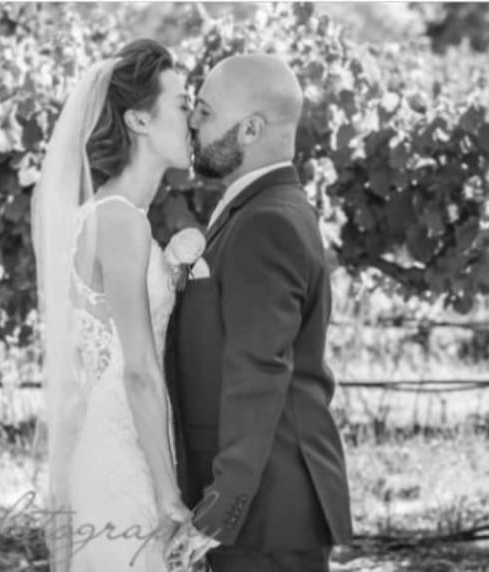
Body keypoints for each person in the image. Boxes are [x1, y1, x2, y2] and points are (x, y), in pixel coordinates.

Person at [165, 54, 354, 572]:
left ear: (250, 129)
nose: (191, 120)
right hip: (262, 506)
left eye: (205, 111)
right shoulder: (262, 209)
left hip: (265, 511)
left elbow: (259, 373)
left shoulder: (266, 222)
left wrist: (221, 510)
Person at [31, 39, 203, 572]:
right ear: (139, 120)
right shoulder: (121, 220)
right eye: (182, 104)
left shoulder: (110, 214)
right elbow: (139, 371)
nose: (194, 120)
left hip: (116, 444)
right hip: (125, 461)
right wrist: (169, 494)